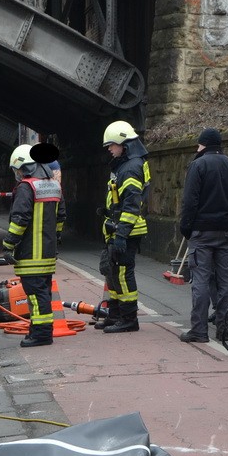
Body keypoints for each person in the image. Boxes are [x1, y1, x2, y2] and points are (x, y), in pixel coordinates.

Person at [178, 128, 228, 343]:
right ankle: (223, 328)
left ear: (203, 145)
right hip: (226, 232)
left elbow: (190, 202)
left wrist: (186, 229)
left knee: (200, 280)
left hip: (201, 231)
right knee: (227, 281)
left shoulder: (197, 165)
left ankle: (199, 330)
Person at [3, 144, 66, 348]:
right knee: (43, 293)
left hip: (30, 253)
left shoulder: (26, 187)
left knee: (35, 295)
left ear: (24, 167)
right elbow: (61, 217)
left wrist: (9, 244)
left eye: (17, 170)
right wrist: (54, 239)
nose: (17, 174)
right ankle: (42, 331)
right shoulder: (54, 186)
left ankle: (40, 334)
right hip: (47, 253)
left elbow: (20, 219)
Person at [98, 120, 149, 333]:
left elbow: (131, 205)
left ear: (124, 144)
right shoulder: (125, 165)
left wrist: (121, 234)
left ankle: (129, 319)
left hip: (126, 231)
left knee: (122, 274)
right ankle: (116, 314)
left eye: (112, 145)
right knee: (113, 271)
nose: (110, 149)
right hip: (118, 228)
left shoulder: (130, 168)